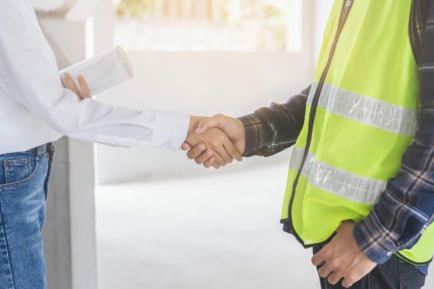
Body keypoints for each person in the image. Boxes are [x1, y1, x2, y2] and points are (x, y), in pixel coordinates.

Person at [184, 0, 434, 288]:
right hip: (345, 239)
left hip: (378, 247)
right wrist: (250, 131)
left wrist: (372, 240)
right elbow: (331, 96)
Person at [0, 1, 241, 288]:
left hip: (21, 167)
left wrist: (55, 92)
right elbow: (62, 113)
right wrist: (184, 128)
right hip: (12, 172)